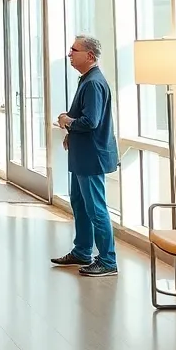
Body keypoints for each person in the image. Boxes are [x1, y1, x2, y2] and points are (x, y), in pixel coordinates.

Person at [51, 35, 120, 277]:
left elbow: (91, 121)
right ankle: (82, 251)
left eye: (74, 50)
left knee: (96, 209)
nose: (69, 54)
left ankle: (108, 261)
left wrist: (67, 121)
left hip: (91, 158)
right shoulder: (87, 80)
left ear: (90, 55)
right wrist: (71, 130)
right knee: (79, 204)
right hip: (82, 156)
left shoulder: (93, 83)